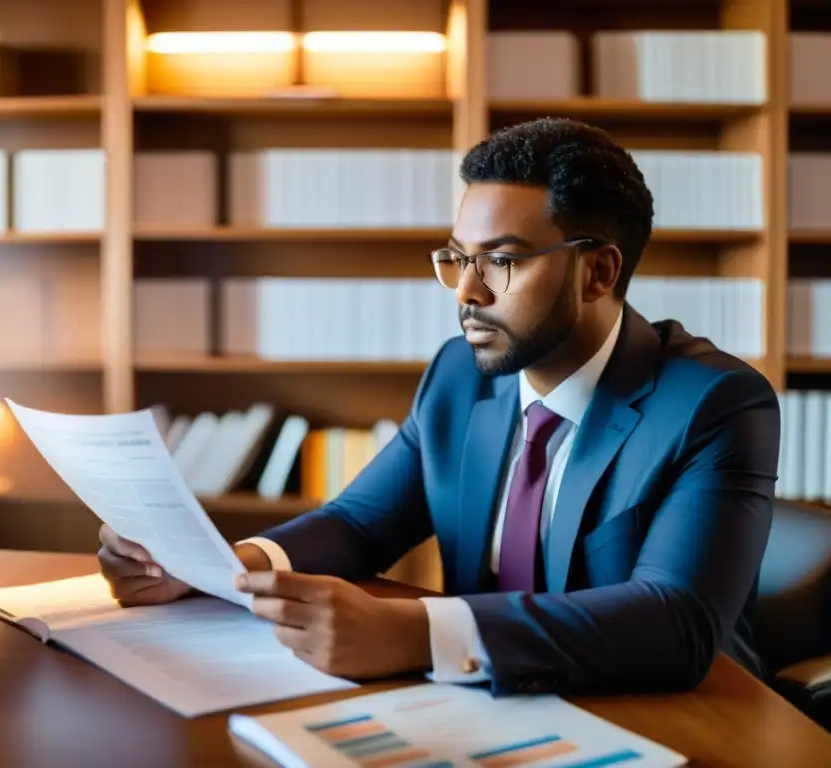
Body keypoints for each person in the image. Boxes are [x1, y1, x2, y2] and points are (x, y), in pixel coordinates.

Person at [97, 117, 780, 696]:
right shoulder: (460, 376)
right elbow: (360, 525)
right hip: (485, 702)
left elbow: (674, 623)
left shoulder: (715, 405)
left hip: (677, 717)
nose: (466, 294)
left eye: (502, 262)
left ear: (597, 271)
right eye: (457, 258)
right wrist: (219, 570)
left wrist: (420, 634)